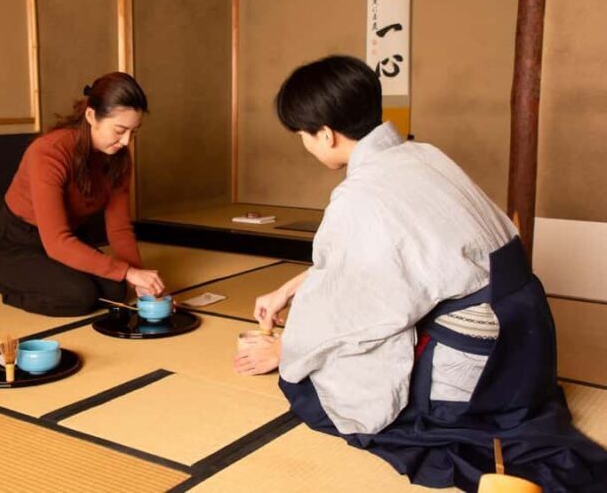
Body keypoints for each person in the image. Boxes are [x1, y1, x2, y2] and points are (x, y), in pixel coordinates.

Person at [233, 55, 607, 491]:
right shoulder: (422, 155)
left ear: (326, 135)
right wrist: (289, 288)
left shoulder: (361, 196)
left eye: (302, 136)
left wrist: (288, 353)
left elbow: (353, 309)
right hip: (528, 343)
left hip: (477, 362)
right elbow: (393, 263)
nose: (306, 144)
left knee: (312, 391)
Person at [0, 72, 164, 317]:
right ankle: (12, 287)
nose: (126, 141)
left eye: (134, 131)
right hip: (13, 242)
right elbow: (56, 242)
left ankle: (53, 278)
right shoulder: (49, 152)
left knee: (117, 290)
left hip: (66, 239)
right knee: (78, 296)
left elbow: (119, 229)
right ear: (91, 116)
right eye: (120, 130)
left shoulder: (119, 158)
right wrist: (128, 271)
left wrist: (140, 279)